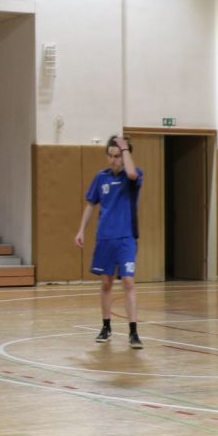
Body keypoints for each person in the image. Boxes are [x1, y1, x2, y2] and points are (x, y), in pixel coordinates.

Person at [74, 137, 143, 347]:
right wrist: (81, 230)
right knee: (106, 283)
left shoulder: (133, 175)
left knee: (128, 281)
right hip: (105, 238)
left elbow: (131, 173)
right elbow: (90, 205)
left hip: (126, 238)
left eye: (118, 156)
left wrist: (125, 149)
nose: (113, 160)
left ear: (124, 155)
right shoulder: (100, 177)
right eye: (110, 156)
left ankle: (133, 332)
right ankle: (106, 327)